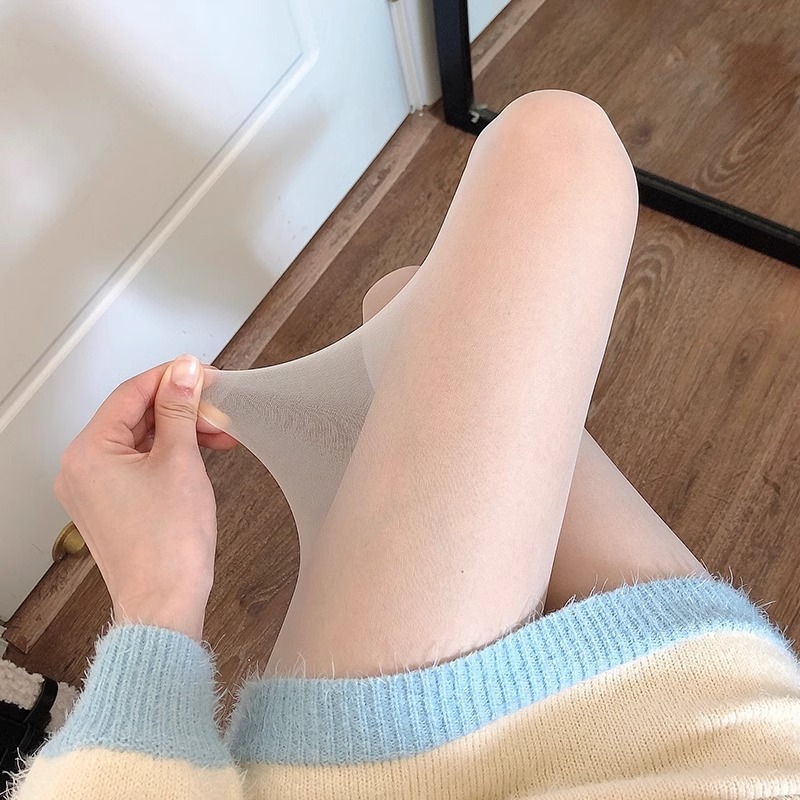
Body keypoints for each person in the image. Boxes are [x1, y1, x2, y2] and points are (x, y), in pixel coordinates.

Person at [6, 89, 800, 799]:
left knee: (515, 193)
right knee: (434, 272)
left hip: (417, 770)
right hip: (730, 738)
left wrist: (157, 598)